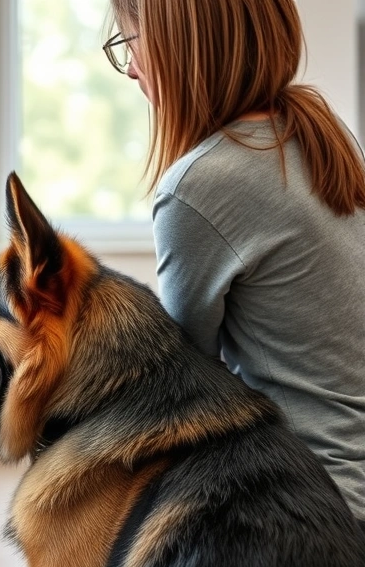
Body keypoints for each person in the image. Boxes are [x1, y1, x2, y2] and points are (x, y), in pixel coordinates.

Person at [105, 0, 365, 535]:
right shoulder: (318, 136)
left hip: (313, 511)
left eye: (130, 42)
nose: (130, 67)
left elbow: (180, 384)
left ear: (181, 49)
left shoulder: (200, 184)